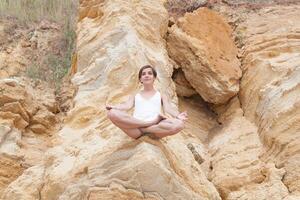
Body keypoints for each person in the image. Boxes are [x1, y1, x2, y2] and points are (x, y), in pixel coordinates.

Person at [106, 65, 188, 139]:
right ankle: (147, 124)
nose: (147, 75)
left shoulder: (161, 94)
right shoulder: (135, 95)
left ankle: (146, 128)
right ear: (140, 79)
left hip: (156, 129)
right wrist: (115, 107)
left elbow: (168, 108)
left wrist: (178, 116)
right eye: (143, 74)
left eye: (149, 73)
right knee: (112, 113)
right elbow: (126, 106)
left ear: (154, 78)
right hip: (136, 129)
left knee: (179, 124)